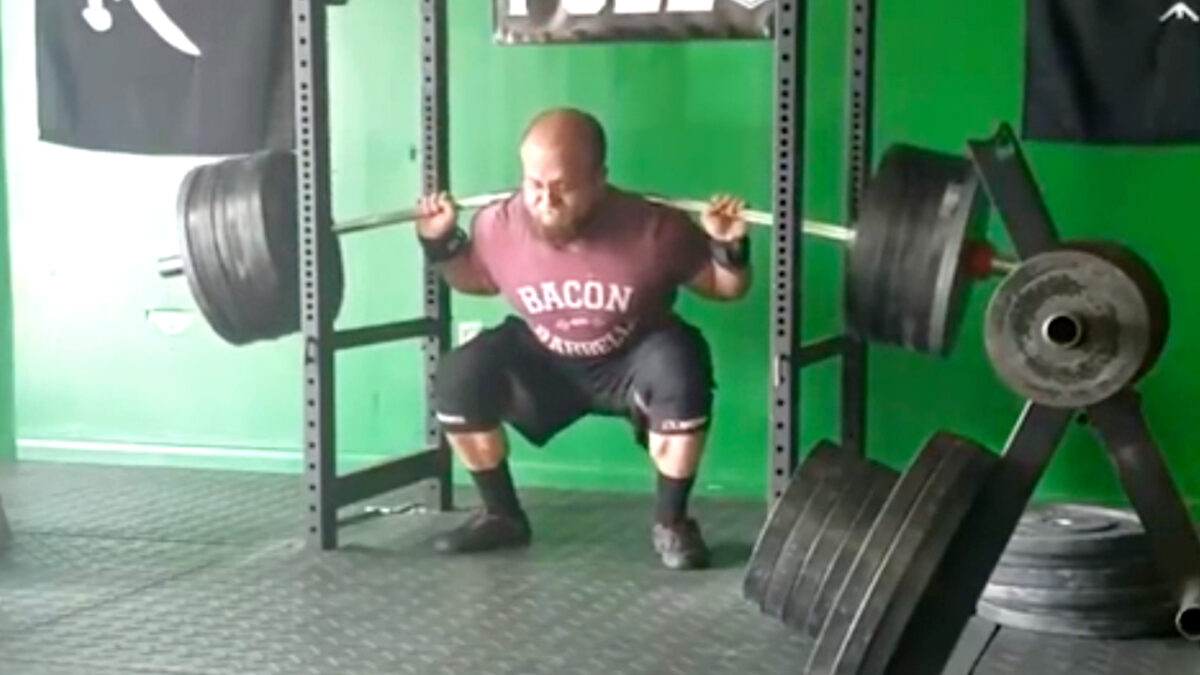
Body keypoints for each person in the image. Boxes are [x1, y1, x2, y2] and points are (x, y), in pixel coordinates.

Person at [413, 107, 752, 570]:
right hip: (545, 357)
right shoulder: (497, 226)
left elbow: (724, 288)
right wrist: (440, 243)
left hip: (632, 357)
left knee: (683, 364)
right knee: (459, 375)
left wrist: (728, 248)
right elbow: (473, 279)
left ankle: (672, 522)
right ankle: (501, 515)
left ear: (599, 179)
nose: (545, 200)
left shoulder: (656, 229)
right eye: (534, 184)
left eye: (562, 187)